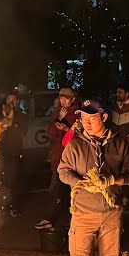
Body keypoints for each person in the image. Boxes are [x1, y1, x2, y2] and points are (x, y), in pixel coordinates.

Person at [56, 98, 129, 256]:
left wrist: (115, 179)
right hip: (83, 211)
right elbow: (63, 170)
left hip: (111, 211)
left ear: (103, 117)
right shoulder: (76, 144)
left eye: (92, 118)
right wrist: (78, 182)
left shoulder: (119, 144)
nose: (87, 123)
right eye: (83, 118)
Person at [36, 88, 79, 232]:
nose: (63, 100)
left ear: (73, 99)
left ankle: (70, 220)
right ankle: (49, 219)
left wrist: (67, 130)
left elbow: (79, 137)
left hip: (72, 159)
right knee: (56, 188)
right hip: (59, 158)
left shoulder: (77, 114)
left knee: (73, 190)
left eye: (66, 98)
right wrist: (59, 119)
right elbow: (51, 133)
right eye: (61, 98)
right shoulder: (58, 112)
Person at [0, 91, 28, 216]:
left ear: (17, 102)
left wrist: (11, 120)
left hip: (15, 153)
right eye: (9, 101)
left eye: (14, 101)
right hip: (1, 153)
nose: (11, 103)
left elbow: (22, 132)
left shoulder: (22, 116)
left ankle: (14, 207)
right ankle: (1, 207)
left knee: (14, 181)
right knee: (1, 180)